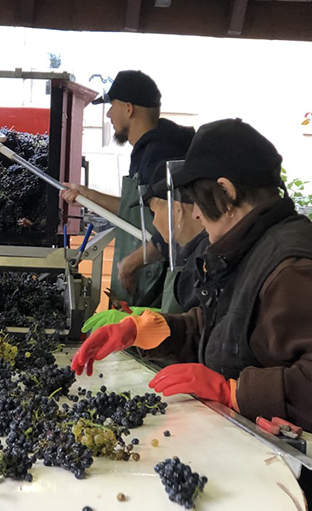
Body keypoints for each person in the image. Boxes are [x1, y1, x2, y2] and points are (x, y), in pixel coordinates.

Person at [71, 118, 312, 431]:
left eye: (199, 200)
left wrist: (233, 392)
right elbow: (228, 329)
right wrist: (145, 331)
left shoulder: (291, 265)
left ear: (227, 191)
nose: (196, 213)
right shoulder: (250, 247)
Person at [61, 70, 194, 307]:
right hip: (149, 278)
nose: (110, 114)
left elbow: (177, 227)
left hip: (163, 284)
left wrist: (132, 263)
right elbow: (136, 210)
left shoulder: (160, 154)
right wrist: (87, 195)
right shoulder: (147, 151)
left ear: (129, 108)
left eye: (113, 105)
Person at [82, 161, 207, 334]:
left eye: (155, 212)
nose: (154, 222)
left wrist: (144, 322)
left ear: (177, 211)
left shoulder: (206, 263)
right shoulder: (191, 258)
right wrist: (143, 317)